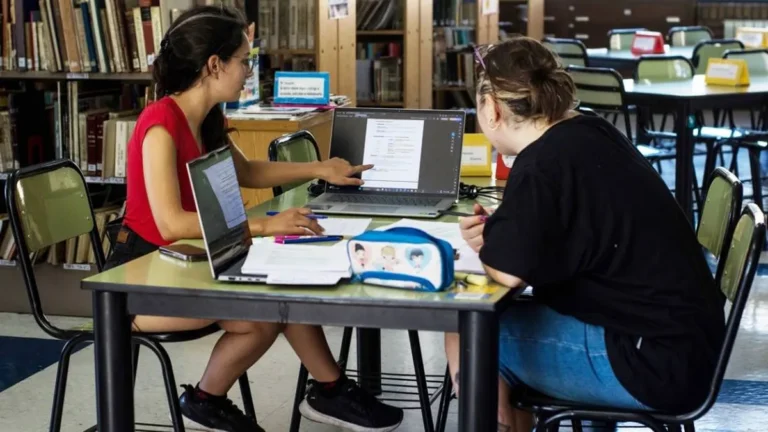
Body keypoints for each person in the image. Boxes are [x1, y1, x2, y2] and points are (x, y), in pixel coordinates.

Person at [104, 6, 403, 432]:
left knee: (272, 302)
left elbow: (248, 173)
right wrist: (263, 226)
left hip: (192, 260)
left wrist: (320, 169)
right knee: (271, 301)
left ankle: (214, 398)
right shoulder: (159, 124)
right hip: (142, 275)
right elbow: (170, 223)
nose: (249, 71)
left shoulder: (206, 118)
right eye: (243, 60)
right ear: (214, 65)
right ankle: (324, 391)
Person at [445, 37, 725, 431]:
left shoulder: (541, 164)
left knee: (469, 336)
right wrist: (503, 238)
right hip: (688, 345)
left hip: (653, 364)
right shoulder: (589, 130)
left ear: (491, 109)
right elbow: (575, 228)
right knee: (501, 327)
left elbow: (507, 274)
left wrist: (497, 248)